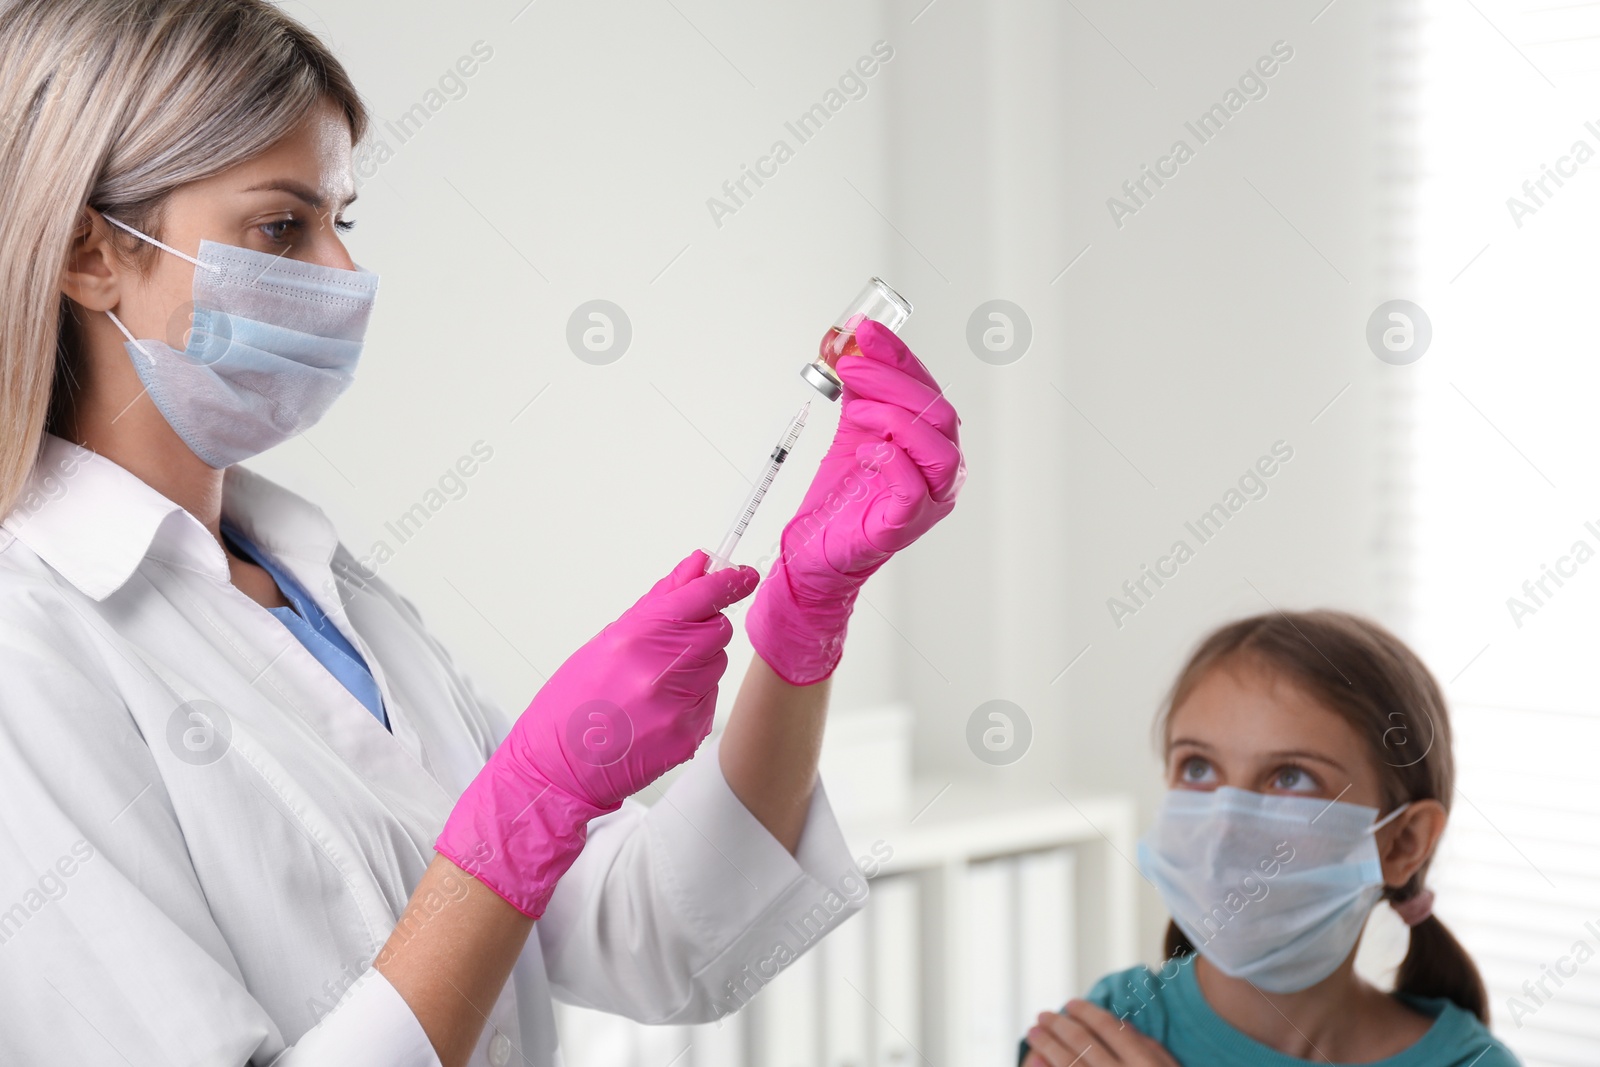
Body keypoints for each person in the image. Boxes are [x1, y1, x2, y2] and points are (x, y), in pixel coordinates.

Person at [0, 2, 966, 1065]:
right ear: (89, 252)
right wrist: (527, 803)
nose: (342, 276)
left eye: (342, 222)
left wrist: (799, 624)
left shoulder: (317, 583)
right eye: (281, 228)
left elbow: (644, 930)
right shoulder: (29, 643)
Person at [1019, 610, 1519, 1067]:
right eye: (1198, 767)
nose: (1225, 825)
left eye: (1291, 777)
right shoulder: (1105, 1029)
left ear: (1402, 843)